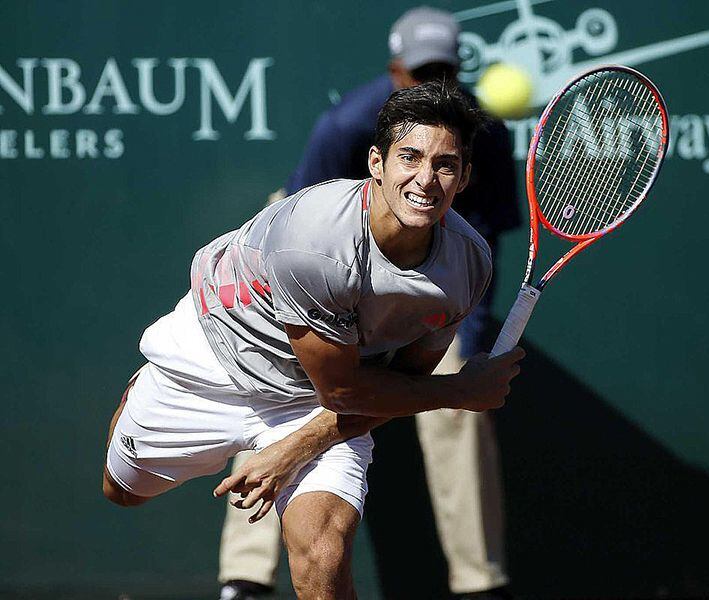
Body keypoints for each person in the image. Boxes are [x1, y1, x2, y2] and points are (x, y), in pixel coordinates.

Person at [102, 81, 525, 600]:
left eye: (445, 165)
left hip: (312, 395)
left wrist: (290, 450)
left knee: (323, 553)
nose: (425, 179)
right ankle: (140, 396)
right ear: (376, 163)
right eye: (409, 157)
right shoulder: (318, 243)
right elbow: (346, 392)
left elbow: (401, 385)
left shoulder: (466, 264)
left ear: (465, 177)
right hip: (216, 357)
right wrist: (461, 391)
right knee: (122, 492)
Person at [218, 7, 520, 600]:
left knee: (460, 401)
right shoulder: (348, 125)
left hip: (427, 273)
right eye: (421, 72)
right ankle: (245, 576)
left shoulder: (482, 133)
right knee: (281, 393)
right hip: (321, 269)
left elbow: (480, 238)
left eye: (443, 70)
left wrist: (466, 332)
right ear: (396, 70)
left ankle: (479, 582)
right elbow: (301, 228)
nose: (433, 82)